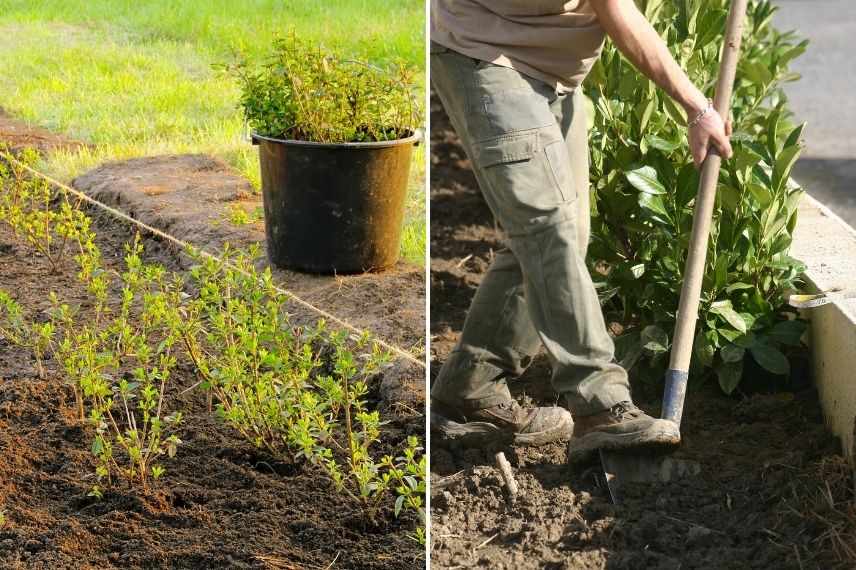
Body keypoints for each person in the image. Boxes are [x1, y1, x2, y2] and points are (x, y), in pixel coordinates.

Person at [430, 0, 733, 460]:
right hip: (486, 51)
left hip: (554, 69)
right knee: (547, 230)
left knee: (562, 234)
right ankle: (599, 402)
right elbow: (616, 11)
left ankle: (471, 386)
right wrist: (696, 105)